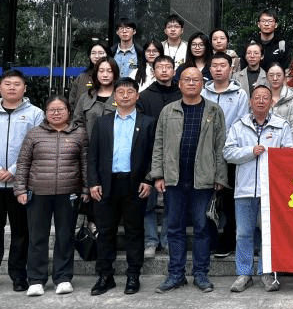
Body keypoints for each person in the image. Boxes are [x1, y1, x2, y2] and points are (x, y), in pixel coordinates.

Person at [150, 67, 227, 293]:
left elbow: (220, 145)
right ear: (179, 84)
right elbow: (159, 144)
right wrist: (158, 174)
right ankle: (176, 274)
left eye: (196, 79)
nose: (191, 83)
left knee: (202, 228)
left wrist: (220, 176)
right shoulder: (168, 111)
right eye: (187, 79)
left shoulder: (214, 110)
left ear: (202, 84)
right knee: (174, 228)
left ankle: (201, 274)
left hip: (203, 179)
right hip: (174, 178)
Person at [0, 70, 45, 294]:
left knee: (21, 232)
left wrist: (14, 170)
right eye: (8, 83)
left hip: (20, 185)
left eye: (17, 84)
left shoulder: (35, 114)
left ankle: (19, 274)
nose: (12, 87)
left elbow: (36, 145)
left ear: (25, 88)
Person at [12, 95, 88, 297]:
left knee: (65, 236)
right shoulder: (34, 134)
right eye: (51, 110)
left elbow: (85, 164)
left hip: (68, 192)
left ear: (68, 112)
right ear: (45, 113)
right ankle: (36, 279)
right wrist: (20, 189)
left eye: (60, 109)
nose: (56, 113)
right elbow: (23, 163)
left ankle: (63, 278)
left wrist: (86, 189)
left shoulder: (79, 134)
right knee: (37, 237)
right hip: (38, 193)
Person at [87, 79, 156, 296]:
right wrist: (93, 182)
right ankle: (105, 275)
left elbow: (154, 154)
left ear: (137, 96)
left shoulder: (148, 122)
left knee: (134, 231)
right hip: (106, 184)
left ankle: (133, 275)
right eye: (121, 92)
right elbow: (93, 155)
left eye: (130, 92)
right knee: (105, 231)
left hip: (135, 184)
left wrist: (149, 180)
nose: (125, 95)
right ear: (114, 96)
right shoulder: (102, 122)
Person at [224, 84, 293, 293]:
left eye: (265, 97)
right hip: (244, 189)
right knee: (243, 233)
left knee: (268, 234)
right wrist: (250, 151)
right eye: (257, 97)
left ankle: (267, 272)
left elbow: (289, 155)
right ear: (250, 101)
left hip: (271, 190)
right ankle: (244, 273)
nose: (261, 101)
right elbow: (228, 153)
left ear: (271, 102)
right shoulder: (239, 125)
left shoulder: (281, 125)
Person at [203, 52, 251, 259]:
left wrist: (225, 143)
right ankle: (208, 240)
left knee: (230, 201)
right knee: (206, 199)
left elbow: (241, 124)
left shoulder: (240, 94)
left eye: (223, 65)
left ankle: (228, 240)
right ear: (210, 69)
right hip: (205, 153)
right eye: (214, 65)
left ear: (231, 69)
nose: (218, 69)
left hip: (230, 153)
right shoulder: (203, 92)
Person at [136, 54, 180, 257]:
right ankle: (151, 240)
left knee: (173, 202)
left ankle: (167, 239)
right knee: (147, 201)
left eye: (168, 67)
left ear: (174, 71)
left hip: (176, 155)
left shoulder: (182, 93)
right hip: (148, 153)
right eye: (159, 67)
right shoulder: (144, 96)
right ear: (153, 72)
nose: (164, 70)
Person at [73, 57, 118, 138]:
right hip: (89, 143)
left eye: (109, 71)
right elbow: (77, 123)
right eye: (101, 71)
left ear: (115, 73)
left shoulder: (122, 97)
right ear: (96, 73)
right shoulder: (86, 97)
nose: (105, 75)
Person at [266, 62, 293, 144]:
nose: (275, 78)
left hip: (285, 146)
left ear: (284, 78)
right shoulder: (261, 97)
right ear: (266, 77)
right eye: (271, 75)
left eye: (278, 75)